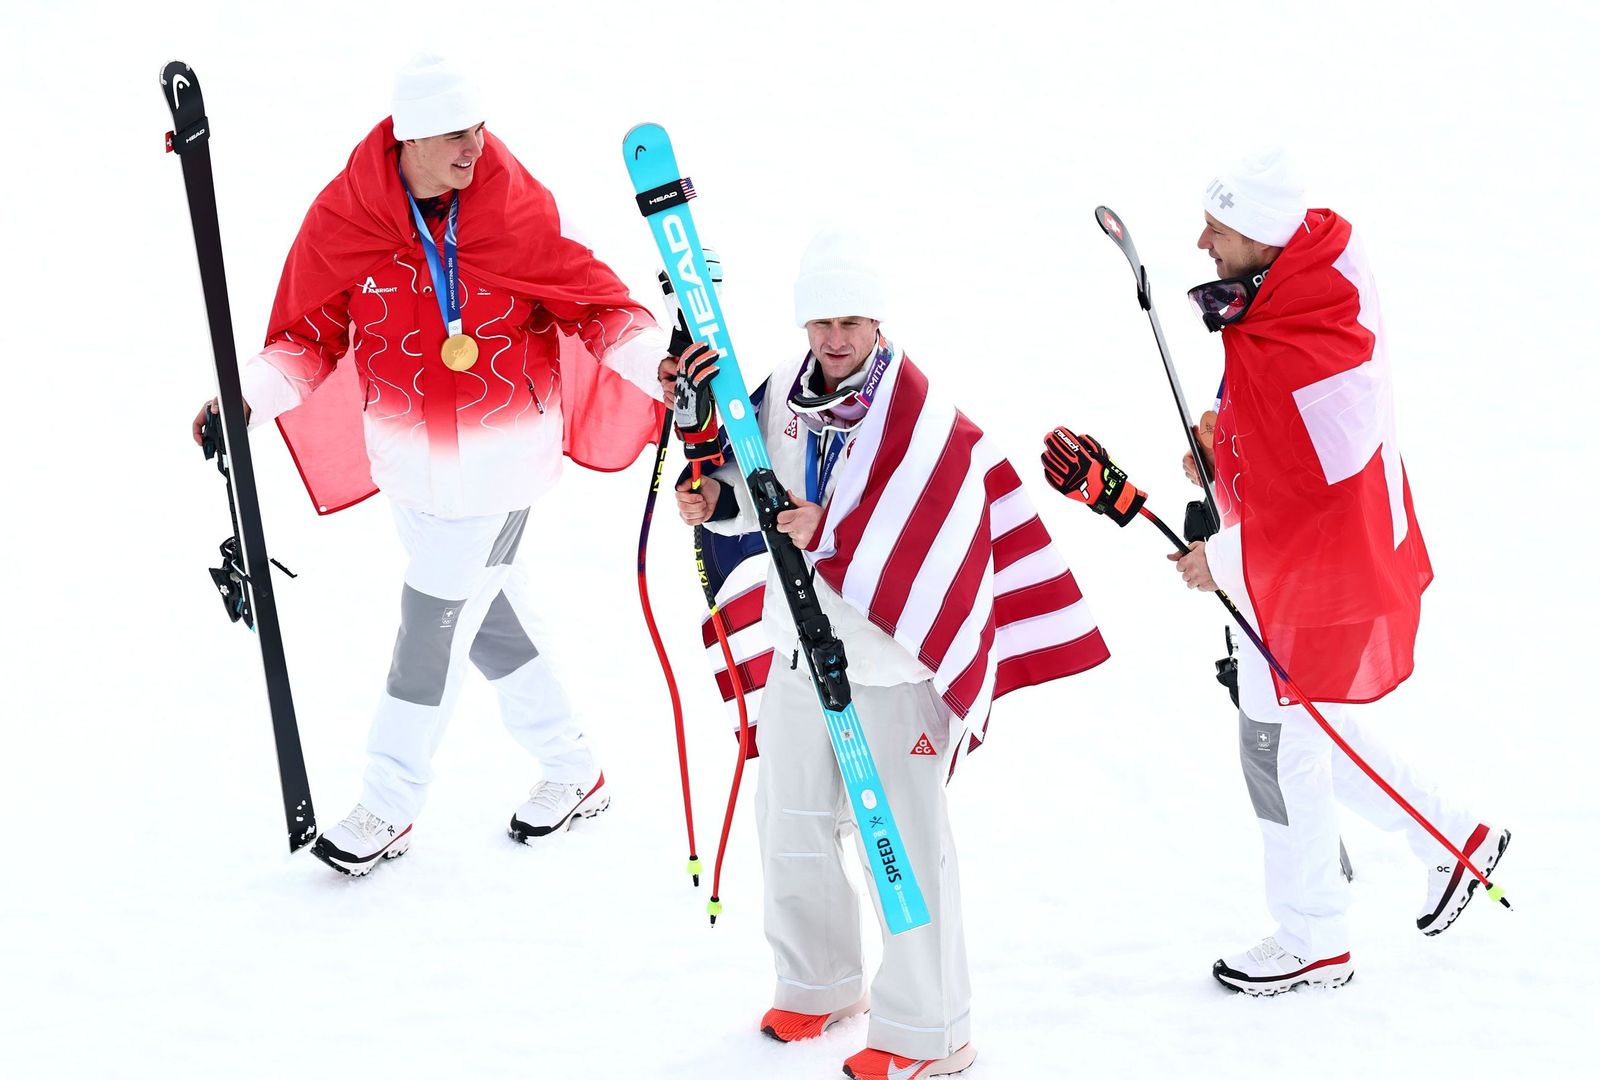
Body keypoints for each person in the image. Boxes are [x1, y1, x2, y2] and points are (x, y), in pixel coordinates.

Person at [189, 54, 674, 876]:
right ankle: (573, 767)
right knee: (491, 626)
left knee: (429, 628)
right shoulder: (347, 220)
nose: (476, 148)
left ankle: (389, 800)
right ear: (410, 137)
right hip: (409, 471)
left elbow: (597, 310)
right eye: (456, 133)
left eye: (480, 129)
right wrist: (246, 399)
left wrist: (655, 361)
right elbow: (308, 341)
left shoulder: (513, 213)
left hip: (502, 470)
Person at [671, 228, 1108, 1079]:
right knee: (788, 817)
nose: (836, 339)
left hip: (896, 664)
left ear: (877, 322)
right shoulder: (783, 403)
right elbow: (750, 490)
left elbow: (935, 526)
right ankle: (820, 981)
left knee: (903, 846)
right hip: (806, 646)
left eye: (853, 321)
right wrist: (712, 501)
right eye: (821, 322)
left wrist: (827, 529)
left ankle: (931, 1033)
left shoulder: (921, 418)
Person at [1169, 149, 1510, 993]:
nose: (1201, 241)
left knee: (1275, 745)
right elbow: (1283, 433)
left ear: (1260, 235)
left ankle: (1312, 934)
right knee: (1297, 731)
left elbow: (1314, 497)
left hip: (1307, 564)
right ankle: (1451, 839)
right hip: (1294, 553)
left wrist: (1224, 558)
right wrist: (1228, 440)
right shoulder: (1301, 282)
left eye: (1219, 228)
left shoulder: (1311, 351)